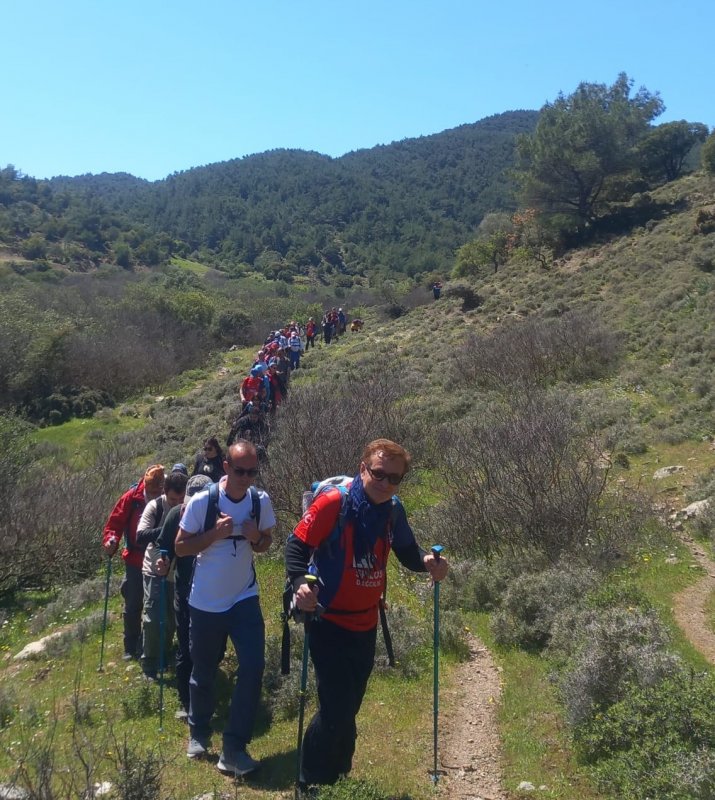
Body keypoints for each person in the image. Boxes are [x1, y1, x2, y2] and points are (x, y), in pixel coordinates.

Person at [285, 439, 449, 790]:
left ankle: (340, 776)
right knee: (336, 707)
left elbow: (407, 550)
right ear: (363, 469)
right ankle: (310, 780)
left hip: (366, 622)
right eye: (379, 474)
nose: (386, 483)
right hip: (327, 619)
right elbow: (296, 546)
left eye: (395, 478)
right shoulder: (333, 503)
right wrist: (300, 584)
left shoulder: (393, 510)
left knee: (349, 706)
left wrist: (427, 562)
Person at [175, 441, 276, 776]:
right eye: (240, 471)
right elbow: (180, 547)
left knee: (253, 666)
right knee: (203, 670)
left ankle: (234, 748)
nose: (246, 478)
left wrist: (256, 538)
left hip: (244, 597)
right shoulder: (203, 502)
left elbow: (265, 543)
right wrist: (213, 535)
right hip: (206, 602)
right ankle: (199, 732)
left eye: (252, 472)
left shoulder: (260, 501)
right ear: (227, 467)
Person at [155, 473, 212, 720]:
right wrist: (163, 561)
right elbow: (165, 547)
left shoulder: (218, 516)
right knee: (186, 644)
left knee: (213, 646)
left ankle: (205, 689)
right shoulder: (175, 515)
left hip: (214, 591)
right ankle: (186, 700)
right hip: (185, 588)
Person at [101, 464, 165, 660]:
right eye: (152, 492)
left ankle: (149, 645)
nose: (154, 496)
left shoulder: (166, 497)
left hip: (158, 558)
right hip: (135, 559)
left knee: (154, 605)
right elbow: (115, 523)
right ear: (145, 485)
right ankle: (130, 646)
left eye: (158, 492)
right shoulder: (131, 498)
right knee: (133, 603)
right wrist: (111, 540)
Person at [136, 470, 188, 679]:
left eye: (181, 499)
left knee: (172, 619)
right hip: (154, 567)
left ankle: (163, 655)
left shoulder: (190, 506)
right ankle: (149, 663)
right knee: (153, 616)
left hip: (176, 570)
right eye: (173, 500)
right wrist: (168, 528)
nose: (177, 504)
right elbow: (141, 535)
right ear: (164, 492)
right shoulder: (154, 506)